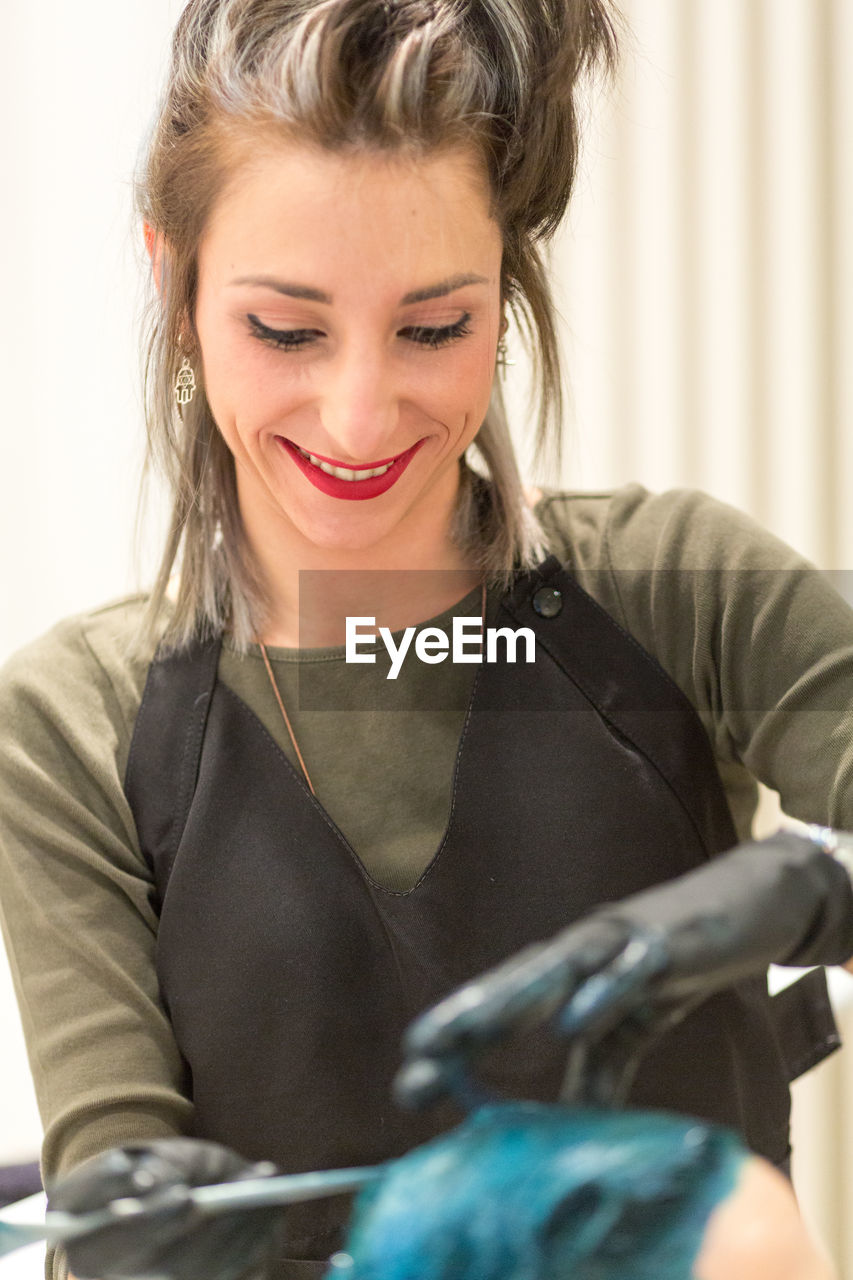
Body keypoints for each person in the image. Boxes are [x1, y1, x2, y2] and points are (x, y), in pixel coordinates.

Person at [0, 0, 851, 1276]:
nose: (356, 418)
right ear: (174, 283)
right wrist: (130, 1234)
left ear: (501, 294)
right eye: (285, 330)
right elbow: (109, 1165)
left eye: (432, 327)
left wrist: (804, 891)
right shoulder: (75, 720)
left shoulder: (683, 590)